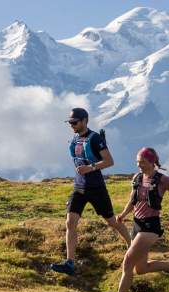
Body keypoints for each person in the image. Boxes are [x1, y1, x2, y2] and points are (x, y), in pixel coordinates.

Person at [98, 147, 169, 292]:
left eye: (142, 162)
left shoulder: (163, 180)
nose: (139, 166)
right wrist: (123, 215)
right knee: (141, 268)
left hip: (151, 227)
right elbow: (133, 199)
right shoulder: (137, 178)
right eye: (138, 162)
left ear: (152, 162)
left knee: (128, 261)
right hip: (137, 225)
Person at [49, 108, 131, 275]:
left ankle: (133, 245)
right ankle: (70, 262)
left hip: (96, 188)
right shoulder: (76, 138)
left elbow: (109, 161)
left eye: (75, 122)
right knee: (70, 222)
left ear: (85, 120)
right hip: (79, 187)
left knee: (112, 221)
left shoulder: (95, 138)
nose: (71, 125)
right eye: (70, 122)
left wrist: (90, 167)